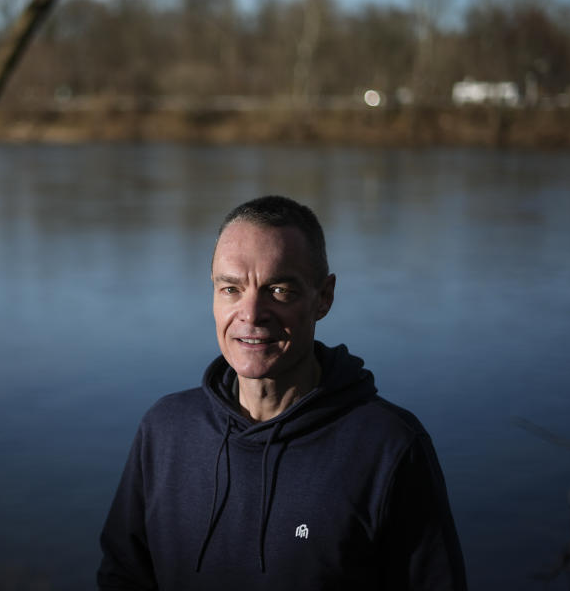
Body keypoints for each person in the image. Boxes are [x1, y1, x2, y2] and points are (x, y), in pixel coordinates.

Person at [98, 195, 466, 590]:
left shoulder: (388, 447)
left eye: (278, 290)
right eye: (231, 289)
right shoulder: (165, 429)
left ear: (323, 297)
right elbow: (124, 576)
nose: (251, 314)